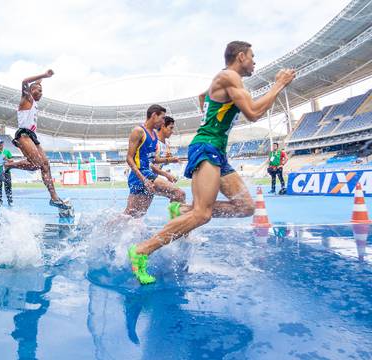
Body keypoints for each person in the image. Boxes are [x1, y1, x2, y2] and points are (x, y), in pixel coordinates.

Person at [128, 41, 296, 284]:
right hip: (207, 147)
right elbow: (253, 112)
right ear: (240, 57)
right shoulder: (229, 76)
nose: (254, 62)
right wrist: (279, 84)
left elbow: (202, 96)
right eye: (252, 57)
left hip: (216, 149)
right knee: (203, 214)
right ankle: (141, 251)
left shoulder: (225, 81)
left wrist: (211, 117)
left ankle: (183, 210)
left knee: (245, 207)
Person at [5, 70, 71, 210]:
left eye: (42, 91)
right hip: (24, 135)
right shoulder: (27, 99)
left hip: (33, 136)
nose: (41, 93)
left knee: (45, 165)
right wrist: (43, 75)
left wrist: (41, 81)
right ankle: (8, 165)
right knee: (36, 165)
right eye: (39, 90)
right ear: (31, 91)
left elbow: (36, 84)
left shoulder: (34, 101)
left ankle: (54, 198)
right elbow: (24, 81)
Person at [123, 109, 186, 218]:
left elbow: (152, 161)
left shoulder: (154, 136)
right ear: (153, 115)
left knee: (133, 215)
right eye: (162, 118)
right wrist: (144, 179)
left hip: (146, 175)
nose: (163, 122)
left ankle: (104, 229)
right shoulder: (139, 131)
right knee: (179, 194)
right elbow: (129, 158)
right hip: (141, 175)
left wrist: (167, 172)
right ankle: (177, 231)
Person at [0, 139, 13, 207]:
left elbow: (12, 160)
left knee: (8, 186)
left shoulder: (7, 151)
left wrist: (6, 158)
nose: (1, 145)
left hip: (6, 171)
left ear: (3, 144)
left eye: (2, 143)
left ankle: (10, 201)